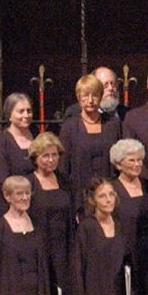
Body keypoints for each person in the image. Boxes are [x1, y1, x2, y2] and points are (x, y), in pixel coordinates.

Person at [0, 176, 50, 295]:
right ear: (7, 197)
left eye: (27, 193)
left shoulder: (37, 225)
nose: (25, 198)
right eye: (19, 194)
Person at [59, 74, 122, 207]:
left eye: (95, 95)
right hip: (79, 197)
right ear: (78, 97)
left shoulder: (113, 124)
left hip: (109, 195)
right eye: (85, 95)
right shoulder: (70, 127)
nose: (90, 100)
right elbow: (63, 167)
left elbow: (120, 161)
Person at [110, 138, 148, 295]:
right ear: (118, 164)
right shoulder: (111, 190)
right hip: (125, 255)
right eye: (132, 160)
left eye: (139, 160)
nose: (137, 164)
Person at [67, 177, 128, 295]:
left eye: (111, 194)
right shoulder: (87, 227)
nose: (108, 200)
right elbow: (78, 268)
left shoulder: (119, 225)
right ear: (92, 200)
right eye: (102, 196)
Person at [27, 132, 72, 295]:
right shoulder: (29, 183)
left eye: (54, 155)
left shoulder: (65, 181)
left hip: (63, 247)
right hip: (40, 246)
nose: (51, 159)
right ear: (35, 158)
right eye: (46, 156)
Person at [0, 93, 36, 214]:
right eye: (21, 111)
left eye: (29, 111)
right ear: (9, 115)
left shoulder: (37, 139)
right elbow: (3, 180)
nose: (26, 115)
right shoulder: (1, 144)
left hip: (36, 205)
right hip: (10, 208)